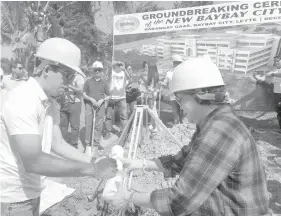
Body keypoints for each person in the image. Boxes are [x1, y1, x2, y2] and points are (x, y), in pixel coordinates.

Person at [104, 56, 270, 215]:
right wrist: (137, 164)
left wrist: (128, 197)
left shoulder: (220, 131)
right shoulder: (214, 122)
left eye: (180, 98)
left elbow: (180, 200)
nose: (180, 106)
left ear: (200, 94)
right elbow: (182, 160)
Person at [0, 38, 117, 216]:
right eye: (67, 75)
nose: (70, 83)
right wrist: (92, 170)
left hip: (32, 192)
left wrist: (92, 161)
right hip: (15, 199)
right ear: (47, 69)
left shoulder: (49, 102)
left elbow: (58, 143)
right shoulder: (23, 101)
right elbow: (34, 161)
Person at [83, 61, 110, 156]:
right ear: (93, 71)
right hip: (89, 105)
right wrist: (91, 99)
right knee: (89, 124)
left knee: (98, 126)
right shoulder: (88, 81)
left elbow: (109, 96)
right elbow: (84, 94)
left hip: (100, 106)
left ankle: (95, 145)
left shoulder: (104, 83)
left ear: (101, 71)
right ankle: (88, 145)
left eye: (99, 70)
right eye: (96, 70)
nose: (97, 72)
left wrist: (102, 100)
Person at [59, 58, 85, 149]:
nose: (66, 69)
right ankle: (63, 143)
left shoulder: (79, 77)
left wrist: (69, 86)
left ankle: (74, 145)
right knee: (62, 124)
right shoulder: (65, 76)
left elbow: (80, 90)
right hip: (64, 103)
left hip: (75, 104)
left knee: (74, 126)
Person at [104, 61, 128, 139]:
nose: (118, 66)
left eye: (119, 65)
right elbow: (108, 72)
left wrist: (124, 69)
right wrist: (113, 64)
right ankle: (108, 131)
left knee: (123, 116)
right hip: (112, 97)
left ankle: (123, 133)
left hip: (122, 97)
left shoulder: (123, 72)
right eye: (117, 65)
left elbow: (130, 78)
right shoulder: (112, 72)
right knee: (108, 115)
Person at [160, 54, 183, 125]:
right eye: (177, 63)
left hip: (180, 97)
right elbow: (165, 84)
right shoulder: (170, 74)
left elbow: (165, 84)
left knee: (179, 111)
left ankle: (180, 125)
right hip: (176, 97)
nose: (178, 65)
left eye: (179, 63)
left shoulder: (181, 73)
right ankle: (178, 124)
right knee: (177, 112)